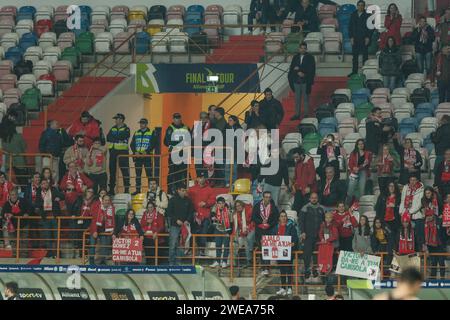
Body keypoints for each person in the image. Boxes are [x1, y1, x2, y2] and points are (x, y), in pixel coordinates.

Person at [34, 178, 64, 258]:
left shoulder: (53, 190)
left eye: (46, 183)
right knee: (47, 236)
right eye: (43, 183)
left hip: (54, 216)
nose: (45, 184)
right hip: (45, 217)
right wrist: (41, 206)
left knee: (56, 235)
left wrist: (59, 198)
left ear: (48, 184)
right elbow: (37, 203)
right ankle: (50, 253)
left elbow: (62, 195)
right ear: (41, 185)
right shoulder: (39, 192)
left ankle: (58, 253)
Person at [252, 191, 280, 276]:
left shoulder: (274, 207)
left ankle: (267, 268)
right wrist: (261, 222)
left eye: (269, 197)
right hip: (259, 230)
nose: (268, 198)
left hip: (269, 230)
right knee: (261, 249)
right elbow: (254, 217)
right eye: (266, 197)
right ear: (263, 197)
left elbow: (276, 219)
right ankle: (263, 267)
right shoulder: (257, 206)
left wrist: (269, 224)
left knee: (267, 249)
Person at [188, 172, 216, 256]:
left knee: (203, 233)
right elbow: (188, 201)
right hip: (194, 215)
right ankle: (191, 250)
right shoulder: (191, 189)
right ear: (197, 179)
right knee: (193, 232)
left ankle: (202, 250)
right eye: (200, 177)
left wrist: (206, 203)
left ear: (205, 178)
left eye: (203, 177)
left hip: (205, 215)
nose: (201, 179)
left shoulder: (210, 189)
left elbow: (213, 200)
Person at [299, 192, 325, 282]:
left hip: (319, 235)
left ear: (317, 198)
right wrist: (302, 232)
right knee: (307, 253)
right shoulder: (305, 208)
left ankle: (315, 269)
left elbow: (325, 221)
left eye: (315, 197)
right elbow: (301, 221)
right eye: (312, 198)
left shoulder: (322, 208)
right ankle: (306, 270)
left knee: (316, 254)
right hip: (308, 235)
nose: (314, 199)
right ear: (309, 199)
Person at [167, 183, 194, 265]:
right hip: (174, 225)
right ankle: (171, 262)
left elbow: (191, 212)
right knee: (173, 244)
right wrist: (176, 220)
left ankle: (178, 262)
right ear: (178, 190)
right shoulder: (172, 200)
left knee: (181, 244)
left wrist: (187, 220)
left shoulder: (188, 200)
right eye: (182, 190)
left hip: (185, 226)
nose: (184, 192)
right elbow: (169, 212)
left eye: (185, 190)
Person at [273, 210, 299, 296]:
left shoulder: (291, 227)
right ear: (279, 218)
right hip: (279, 252)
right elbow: (273, 238)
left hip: (288, 252)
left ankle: (290, 288)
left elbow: (295, 238)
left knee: (289, 269)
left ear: (286, 217)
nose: (283, 218)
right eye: (282, 216)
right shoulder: (276, 227)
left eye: (285, 216)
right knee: (282, 270)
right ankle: (283, 288)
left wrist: (293, 244)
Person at [288, 42, 316, 120]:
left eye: (304, 48)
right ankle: (297, 114)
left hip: (305, 81)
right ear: (299, 48)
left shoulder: (310, 57)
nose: (303, 50)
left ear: (306, 49)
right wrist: (298, 72)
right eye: (301, 48)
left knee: (305, 99)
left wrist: (302, 72)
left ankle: (306, 114)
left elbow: (311, 70)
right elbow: (292, 68)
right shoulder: (295, 57)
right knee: (297, 99)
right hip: (296, 81)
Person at [164, 113, 190, 195]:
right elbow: (168, 141)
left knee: (184, 172)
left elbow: (190, 140)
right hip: (174, 154)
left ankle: (183, 191)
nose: (177, 120)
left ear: (181, 118)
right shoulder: (170, 128)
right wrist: (181, 142)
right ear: (173, 119)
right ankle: (170, 191)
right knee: (172, 173)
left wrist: (176, 142)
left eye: (178, 118)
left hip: (184, 154)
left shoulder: (186, 128)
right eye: (175, 118)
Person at [131, 118, 157, 195]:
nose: (141, 125)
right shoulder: (136, 132)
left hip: (147, 156)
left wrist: (147, 151)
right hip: (138, 157)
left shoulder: (152, 132)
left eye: (143, 123)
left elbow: (153, 143)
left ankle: (151, 190)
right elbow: (132, 144)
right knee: (138, 175)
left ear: (146, 124)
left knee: (149, 174)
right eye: (140, 123)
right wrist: (135, 152)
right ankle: (138, 190)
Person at [106, 113, 130, 195]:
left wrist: (115, 137)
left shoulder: (126, 129)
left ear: (121, 120)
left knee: (125, 171)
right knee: (112, 171)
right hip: (113, 152)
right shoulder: (113, 128)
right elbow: (108, 137)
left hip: (123, 152)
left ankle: (126, 189)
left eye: (116, 119)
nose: (115, 120)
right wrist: (117, 137)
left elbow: (122, 136)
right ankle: (111, 189)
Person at [72, 187, 99, 258]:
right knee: (80, 237)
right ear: (86, 192)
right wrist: (74, 214)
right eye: (88, 191)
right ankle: (81, 254)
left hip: (88, 221)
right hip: (79, 221)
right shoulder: (80, 199)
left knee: (87, 238)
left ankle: (87, 254)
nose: (90, 193)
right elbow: (74, 208)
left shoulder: (94, 201)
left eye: (91, 192)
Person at [399, 176, 425, 249]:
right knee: (407, 235)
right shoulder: (405, 188)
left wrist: (410, 212)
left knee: (418, 236)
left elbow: (419, 204)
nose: (412, 181)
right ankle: (407, 250)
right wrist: (401, 212)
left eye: (414, 180)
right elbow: (402, 200)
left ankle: (419, 252)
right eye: (411, 180)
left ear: (417, 180)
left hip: (416, 215)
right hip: (405, 215)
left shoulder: (421, 189)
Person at [2, 188, 30, 253]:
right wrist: (7, 215)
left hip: (23, 224)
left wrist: (27, 213)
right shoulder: (6, 204)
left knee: (24, 241)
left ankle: (24, 256)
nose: (13, 196)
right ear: (9, 195)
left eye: (15, 194)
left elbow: (30, 208)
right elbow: (3, 214)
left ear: (18, 195)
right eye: (12, 195)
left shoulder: (24, 201)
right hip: (12, 226)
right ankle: (15, 256)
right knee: (13, 241)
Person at [89, 194, 115, 265]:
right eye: (105, 200)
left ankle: (102, 261)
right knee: (92, 245)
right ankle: (91, 262)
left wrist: (113, 229)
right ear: (102, 201)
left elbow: (113, 220)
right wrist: (94, 231)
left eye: (108, 200)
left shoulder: (111, 209)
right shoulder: (97, 207)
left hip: (104, 230)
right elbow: (94, 220)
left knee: (104, 245)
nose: (107, 202)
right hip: (95, 228)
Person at [346, 139, 372, 205]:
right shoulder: (353, 153)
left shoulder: (368, 153)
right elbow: (350, 163)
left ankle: (360, 205)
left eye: (362, 144)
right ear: (357, 145)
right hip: (354, 172)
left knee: (362, 190)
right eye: (359, 144)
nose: (361, 145)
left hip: (363, 171)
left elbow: (367, 164)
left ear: (364, 145)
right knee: (350, 190)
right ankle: (347, 205)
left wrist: (359, 168)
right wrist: (353, 168)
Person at [348, 0, 371, 76]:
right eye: (359, 5)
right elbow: (350, 27)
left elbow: (370, 28)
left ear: (364, 6)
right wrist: (351, 37)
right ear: (357, 6)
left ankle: (365, 72)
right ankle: (354, 72)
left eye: (362, 5)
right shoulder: (353, 15)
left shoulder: (368, 15)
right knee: (355, 57)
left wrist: (368, 37)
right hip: (355, 38)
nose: (360, 6)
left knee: (365, 56)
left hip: (364, 38)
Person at [424, 203, 446, 279]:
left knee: (441, 263)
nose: (429, 217)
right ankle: (433, 279)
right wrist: (426, 247)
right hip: (431, 246)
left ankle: (442, 278)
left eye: (430, 216)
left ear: (433, 215)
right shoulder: (425, 224)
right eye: (427, 216)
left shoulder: (439, 221)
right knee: (433, 263)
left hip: (440, 245)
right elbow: (423, 236)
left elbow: (443, 233)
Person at [291, 147, 317, 212]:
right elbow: (296, 176)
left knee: (306, 209)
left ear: (301, 155)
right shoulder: (297, 162)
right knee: (296, 208)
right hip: (299, 189)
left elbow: (312, 174)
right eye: (294, 157)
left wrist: (309, 186)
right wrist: (294, 186)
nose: (295, 159)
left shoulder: (309, 161)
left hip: (307, 190)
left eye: (296, 157)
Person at [210, 197, 233, 268]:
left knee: (226, 246)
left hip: (226, 230)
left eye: (222, 203)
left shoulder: (228, 211)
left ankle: (224, 262)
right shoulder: (214, 208)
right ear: (217, 204)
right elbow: (211, 214)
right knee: (218, 246)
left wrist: (229, 232)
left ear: (224, 203)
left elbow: (231, 222)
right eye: (219, 203)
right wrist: (213, 217)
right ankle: (217, 261)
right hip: (218, 229)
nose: (221, 205)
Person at [140, 201, 166, 265]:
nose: (150, 209)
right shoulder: (145, 214)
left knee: (155, 253)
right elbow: (141, 224)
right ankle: (148, 265)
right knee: (148, 252)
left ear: (154, 207)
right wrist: (147, 222)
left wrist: (156, 232)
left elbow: (162, 226)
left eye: (151, 207)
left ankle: (155, 266)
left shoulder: (159, 215)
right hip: (147, 237)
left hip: (155, 238)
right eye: (148, 207)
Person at [232, 200, 255, 267]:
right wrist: (233, 235)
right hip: (243, 232)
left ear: (242, 205)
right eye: (236, 206)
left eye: (239, 205)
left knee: (248, 239)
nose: (238, 207)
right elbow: (235, 226)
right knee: (236, 242)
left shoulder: (249, 210)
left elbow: (253, 221)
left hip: (253, 229)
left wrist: (248, 229)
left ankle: (250, 253)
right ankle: (236, 262)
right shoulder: (235, 215)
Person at [224, 115, 242, 186]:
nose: (229, 122)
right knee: (227, 168)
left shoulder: (239, 128)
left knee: (234, 168)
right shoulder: (226, 128)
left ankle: (234, 182)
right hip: (228, 151)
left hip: (235, 152)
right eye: (228, 120)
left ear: (235, 121)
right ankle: (227, 182)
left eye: (230, 120)